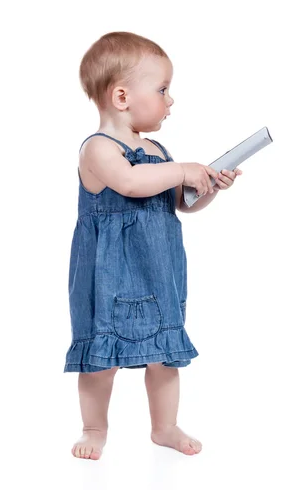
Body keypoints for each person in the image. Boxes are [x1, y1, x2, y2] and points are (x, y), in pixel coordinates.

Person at [64, 31, 242, 460]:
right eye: (162, 89)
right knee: (100, 350)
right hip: (108, 272)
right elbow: (129, 182)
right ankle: (94, 427)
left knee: (166, 350)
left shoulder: (157, 150)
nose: (171, 100)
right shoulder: (99, 149)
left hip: (157, 267)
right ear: (121, 96)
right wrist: (182, 169)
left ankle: (165, 426)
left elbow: (178, 204)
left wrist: (207, 186)